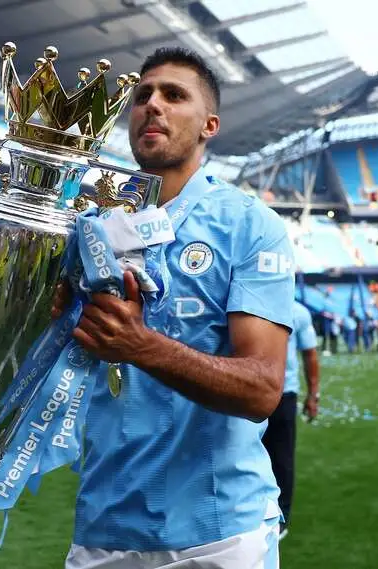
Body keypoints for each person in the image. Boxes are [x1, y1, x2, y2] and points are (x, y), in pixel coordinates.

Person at [53, 47, 295, 568]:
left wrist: (142, 347)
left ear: (210, 124)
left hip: (219, 532)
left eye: (173, 95)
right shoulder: (87, 226)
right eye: (142, 96)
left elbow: (262, 389)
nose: (152, 105)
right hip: (103, 527)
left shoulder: (250, 226)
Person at [262, 300, 320, 540]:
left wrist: (313, 395)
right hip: (245, 388)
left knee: (282, 456)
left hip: (283, 393)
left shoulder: (297, 312)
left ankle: (282, 516)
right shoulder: (243, 304)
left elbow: (310, 354)